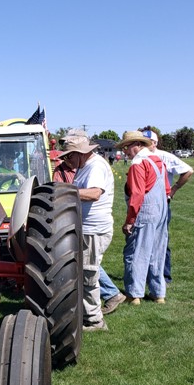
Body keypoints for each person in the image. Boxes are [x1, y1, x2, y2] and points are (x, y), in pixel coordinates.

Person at [57, 131, 122, 330]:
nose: (67, 160)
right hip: (87, 228)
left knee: (88, 274)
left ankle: (95, 320)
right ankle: (90, 311)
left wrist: (64, 190)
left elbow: (94, 193)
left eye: (69, 155)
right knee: (85, 271)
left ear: (80, 153)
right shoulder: (86, 166)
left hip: (94, 230)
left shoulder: (95, 166)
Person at [115, 130, 169, 305]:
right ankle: (158, 293)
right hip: (161, 211)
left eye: (126, 147)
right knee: (157, 252)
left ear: (136, 145)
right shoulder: (157, 160)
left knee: (136, 253)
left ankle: (134, 294)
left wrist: (130, 221)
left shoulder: (138, 163)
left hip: (145, 212)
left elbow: (137, 194)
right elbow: (166, 188)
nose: (125, 152)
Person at [141, 129, 193, 283]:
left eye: (145, 142)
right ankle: (147, 275)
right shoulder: (142, 157)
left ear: (154, 143)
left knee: (161, 240)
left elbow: (188, 171)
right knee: (144, 240)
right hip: (145, 204)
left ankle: (164, 276)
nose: (142, 144)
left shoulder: (164, 156)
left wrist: (174, 189)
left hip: (161, 203)